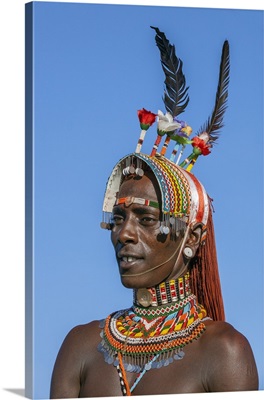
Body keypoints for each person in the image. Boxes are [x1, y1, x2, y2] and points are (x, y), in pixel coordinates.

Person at [50, 28, 259, 398]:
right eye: (118, 218)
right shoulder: (81, 348)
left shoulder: (223, 352)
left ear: (192, 238)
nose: (124, 234)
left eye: (146, 219)